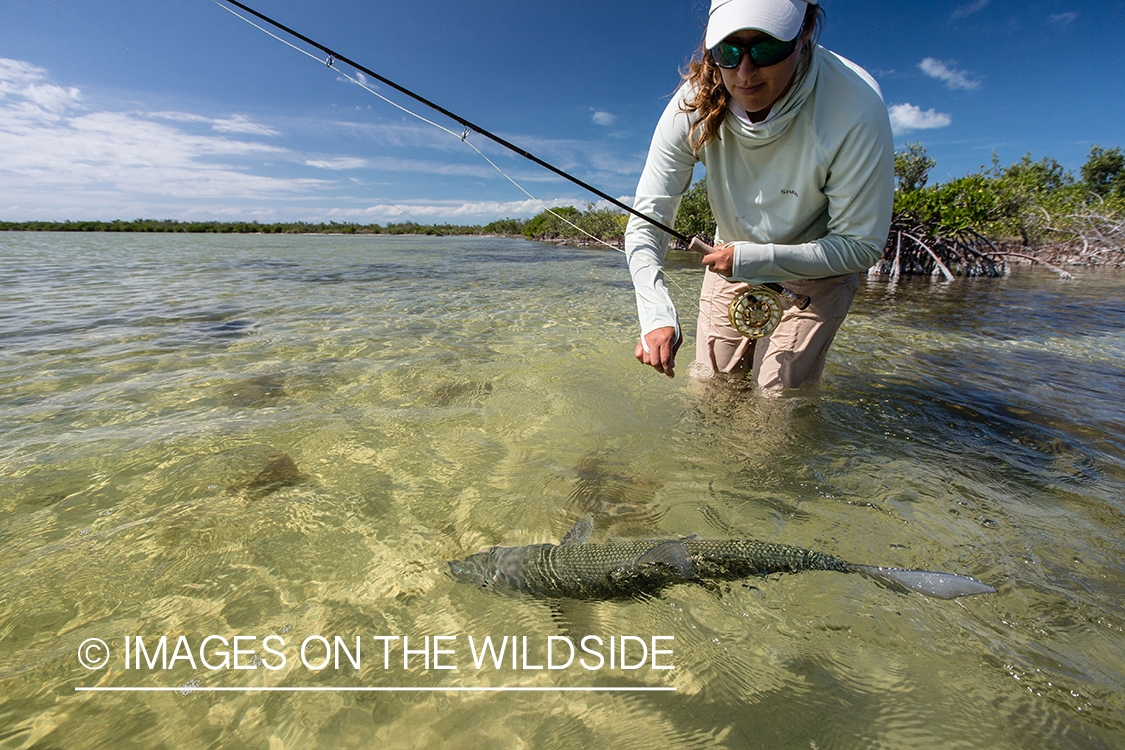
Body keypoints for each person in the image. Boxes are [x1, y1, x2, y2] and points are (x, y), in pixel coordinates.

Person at [625, 0, 894, 389]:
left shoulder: (855, 104)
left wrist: (758, 258)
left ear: (804, 32)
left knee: (777, 400)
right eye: (728, 52)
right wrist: (656, 314)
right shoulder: (690, 106)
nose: (745, 72)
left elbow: (861, 246)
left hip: (820, 267)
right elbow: (648, 221)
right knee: (710, 388)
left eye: (766, 48)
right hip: (729, 259)